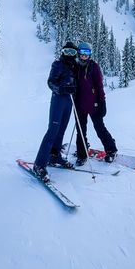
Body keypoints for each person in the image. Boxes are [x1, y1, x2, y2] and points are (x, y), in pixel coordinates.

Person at [33, 42, 78, 180]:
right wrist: (61, 89)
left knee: (61, 130)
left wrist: (74, 90)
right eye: (67, 51)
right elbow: (51, 82)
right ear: (63, 51)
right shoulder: (57, 64)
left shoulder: (75, 66)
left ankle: (54, 156)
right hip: (58, 100)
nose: (69, 54)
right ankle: (39, 164)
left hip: (69, 101)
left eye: (72, 51)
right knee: (53, 130)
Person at [74, 41, 117, 164]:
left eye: (87, 52)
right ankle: (82, 154)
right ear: (78, 53)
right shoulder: (75, 67)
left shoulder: (94, 66)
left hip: (94, 105)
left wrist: (102, 102)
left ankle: (111, 150)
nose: (84, 55)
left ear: (90, 54)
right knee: (81, 131)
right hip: (79, 105)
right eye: (82, 52)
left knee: (99, 128)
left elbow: (99, 86)